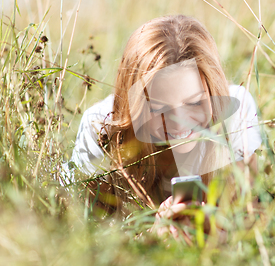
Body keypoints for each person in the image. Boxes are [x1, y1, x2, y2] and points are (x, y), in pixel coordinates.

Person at [61, 15, 262, 243]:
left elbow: (251, 223)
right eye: (159, 109)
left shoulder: (234, 114)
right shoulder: (101, 128)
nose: (180, 122)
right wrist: (151, 239)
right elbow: (81, 239)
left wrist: (221, 237)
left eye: (195, 103)